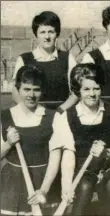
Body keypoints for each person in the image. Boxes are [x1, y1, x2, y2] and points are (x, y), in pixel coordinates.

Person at [59, 63, 110, 216]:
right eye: (86, 89)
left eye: (96, 88)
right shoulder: (68, 115)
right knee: (84, 188)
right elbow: (68, 154)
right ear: (78, 90)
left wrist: (106, 152)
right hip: (84, 169)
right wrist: (67, 186)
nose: (92, 94)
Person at [1, 65, 63, 215]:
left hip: (43, 181)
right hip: (11, 183)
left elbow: (55, 158)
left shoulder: (53, 117)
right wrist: (8, 144)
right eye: (26, 89)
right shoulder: (5, 116)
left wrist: (44, 190)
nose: (31, 94)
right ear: (18, 89)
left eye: (36, 89)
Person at [12, 11, 77, 111]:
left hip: (61, 114)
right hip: (32, 115)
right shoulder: (24, 59)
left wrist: (60, 110)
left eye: (51, 32)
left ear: (57, 34)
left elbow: (76, 92)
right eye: (42, 32)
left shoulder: (68, 58)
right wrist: (31, 110)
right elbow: (15, 92)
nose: (47, 37)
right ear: (36, 35)